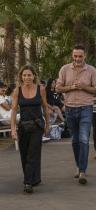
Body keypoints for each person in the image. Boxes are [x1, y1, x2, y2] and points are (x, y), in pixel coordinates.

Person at [56, 45, 96, 185]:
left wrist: (83, 87)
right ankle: (79, 165)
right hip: (69, 109)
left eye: (80, 56)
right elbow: (57, 87)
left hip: (86, 108)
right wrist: (71, 87)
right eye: (75, 56)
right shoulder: (65, 69)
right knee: (75, 140)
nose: (77, 59)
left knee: (84, 139)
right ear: (72, 55)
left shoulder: (91, 70)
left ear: (84, 56)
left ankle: (82, 171)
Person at [11, 65, 50, 193]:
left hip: (37, 126)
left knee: (33, 153)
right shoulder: (17, 91)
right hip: (23, 126)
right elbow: (13, 110)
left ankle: (28, 182)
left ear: (34, 76)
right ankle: (34, 178)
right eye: (24, 75)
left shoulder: (41, 89)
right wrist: (13, 129)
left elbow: (45, 108)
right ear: (21, 77)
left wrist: (47, 125)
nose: (27, 77)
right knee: (24, 154)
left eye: (29, 75)